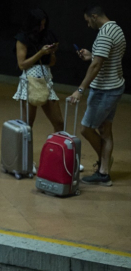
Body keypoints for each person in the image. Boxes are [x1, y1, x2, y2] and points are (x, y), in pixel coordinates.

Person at [68, 6, 125, 187]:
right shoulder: (116, 28)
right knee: (105, 130)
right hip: (115, 86)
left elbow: (96, 66)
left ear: (94, 17)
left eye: (87, 21)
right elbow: (103, 58)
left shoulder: (104, 34)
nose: (88, 24)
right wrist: (92, 56)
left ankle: (104, 165)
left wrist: (80, 89)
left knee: (86, 129)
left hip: (104, 90)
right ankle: (104, 172)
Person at [13, 9, 65, 132]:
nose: (42, 27)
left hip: (46, 79)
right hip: (29, 81)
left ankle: (55, 150)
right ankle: (24, 151)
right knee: (28, 124)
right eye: (39, 24)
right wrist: (40, 53)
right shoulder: (22, 38)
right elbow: (22, 65)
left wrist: (52, 53)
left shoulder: (47, 35)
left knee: (59, 122)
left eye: (44, 24)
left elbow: (52, 63)